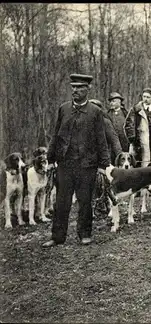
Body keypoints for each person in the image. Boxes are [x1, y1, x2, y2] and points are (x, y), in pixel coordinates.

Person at [43, 74, 110, 247]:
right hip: (65, 164)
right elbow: (55, 135)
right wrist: (50, 159)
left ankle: (85, 234)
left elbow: (101, 139)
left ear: (88, 89)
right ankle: (57, 236)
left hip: (87, 165)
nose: (75, 91)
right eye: (73, 87)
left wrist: (103, 165)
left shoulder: (95, 112)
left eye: (80, 88)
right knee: (62, 201)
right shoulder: (63, 109)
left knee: (85, 201)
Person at [124, 88, 151, 167]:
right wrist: (133, 140)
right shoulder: (135, 110)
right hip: (140, 143)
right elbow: (128, 125)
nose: (145, 99)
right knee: (140, 165)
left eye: (148, 97)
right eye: (144, 97)